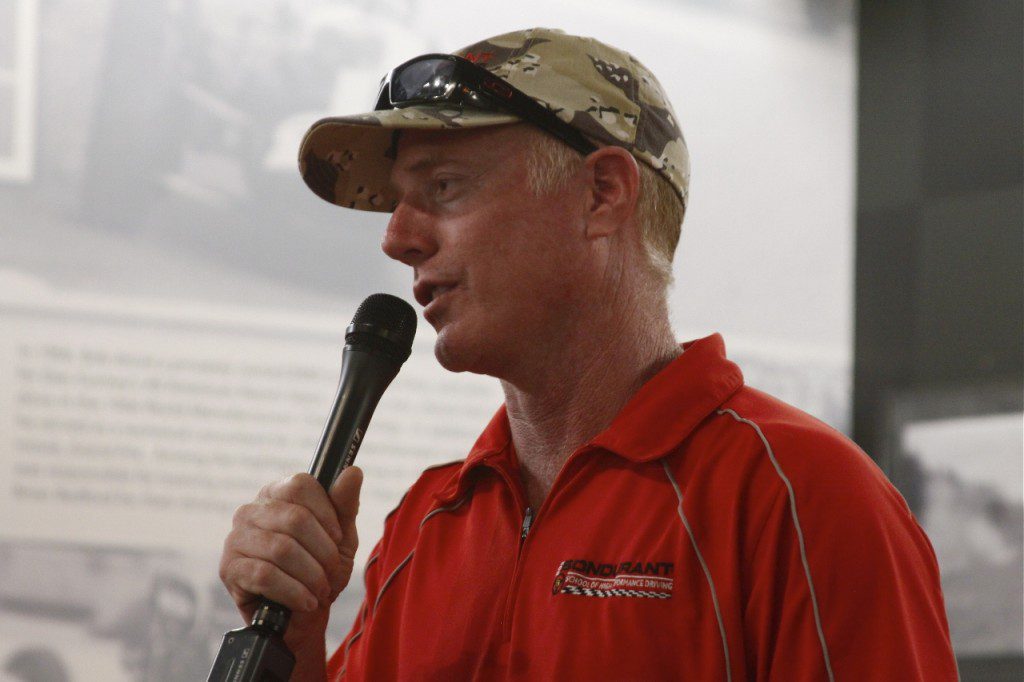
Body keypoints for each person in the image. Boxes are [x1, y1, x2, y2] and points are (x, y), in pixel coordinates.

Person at [219, 28, 958, 680]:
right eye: (397, 203)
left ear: (602, 194)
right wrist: (298, 643)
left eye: (444, 186)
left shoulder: (799, 497)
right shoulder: (427, 522)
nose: (397, 239)